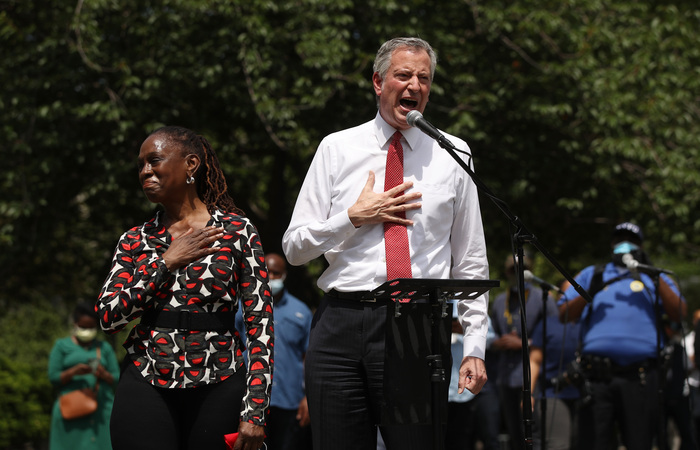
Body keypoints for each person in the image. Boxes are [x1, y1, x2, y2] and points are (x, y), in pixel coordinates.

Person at [282, 37, 490, 450]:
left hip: (417, 326)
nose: (414, 86)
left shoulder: (453, 153)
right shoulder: (337, 148)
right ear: (378, 82)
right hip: (341, 324)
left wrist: (475, 345)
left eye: (424, 78)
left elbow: (470, 259)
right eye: (403, 75)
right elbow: (294, 247)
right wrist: (352, 218)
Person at [96, 126, 273, 450]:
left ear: (191, 164)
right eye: (140, 165)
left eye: (154, 160)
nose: (145, 171)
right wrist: (164, 264)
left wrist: (256, 410)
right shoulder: (135, 239)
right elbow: (109, 318)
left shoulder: (236, 230)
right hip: (145, 379)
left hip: (219, 382)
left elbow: (260, 324)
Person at [558, 222, 686, 450]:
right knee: (593, 443)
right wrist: (590, 291)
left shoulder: (654, 276)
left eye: (631, 240)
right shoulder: (593, 273)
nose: (624, 245)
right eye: (619, 239)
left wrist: (651, 273)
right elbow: (563, 313)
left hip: (640, 378)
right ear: (612, 244)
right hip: (596, 378)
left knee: (640, 442)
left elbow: (679, 312)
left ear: (641, 246)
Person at [236, 253, 313, 450]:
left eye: (276, 273)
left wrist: (308, 397)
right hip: (249, 400)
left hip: (290, 400)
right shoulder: (242, 307)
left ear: (284, 275)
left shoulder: (301, 311)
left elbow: (309, 357)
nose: (270, 276)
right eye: (266, 272)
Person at [490, 254, 556, 450]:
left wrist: (524, 343)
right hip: (505, 376)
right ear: (507, 272)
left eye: (522, 269)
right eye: (513, 269)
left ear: (531, 271)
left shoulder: (543, 298)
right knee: (514, 433)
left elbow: (554, 335)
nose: (517, 274)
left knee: (533, 431)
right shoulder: (500, 300)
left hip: (533, 375)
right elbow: (489, 335)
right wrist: (497, 343)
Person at [48, 302, 120, 450]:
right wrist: (74, 371)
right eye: (83, 327)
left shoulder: (104, 347)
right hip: (71, 410)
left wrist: (103, 374)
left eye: (91, 327)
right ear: (75, 324)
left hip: (102, 412)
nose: (87, 331)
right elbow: (53, 377)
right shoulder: (61, 346)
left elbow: (117, 378)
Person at [529, 284, 581, 450]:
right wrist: (528, 393)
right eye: (567, 292)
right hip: (554, 393)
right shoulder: (548, 324)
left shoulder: (591, 321)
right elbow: (534, 360)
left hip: (589, 393)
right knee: (558, 445)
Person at [445, 303, 499, 450]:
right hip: (439, 387)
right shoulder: (428, 300)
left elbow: (490, 337)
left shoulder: (467, 303)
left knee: (465, 438)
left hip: (466, 390)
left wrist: (464, 330)